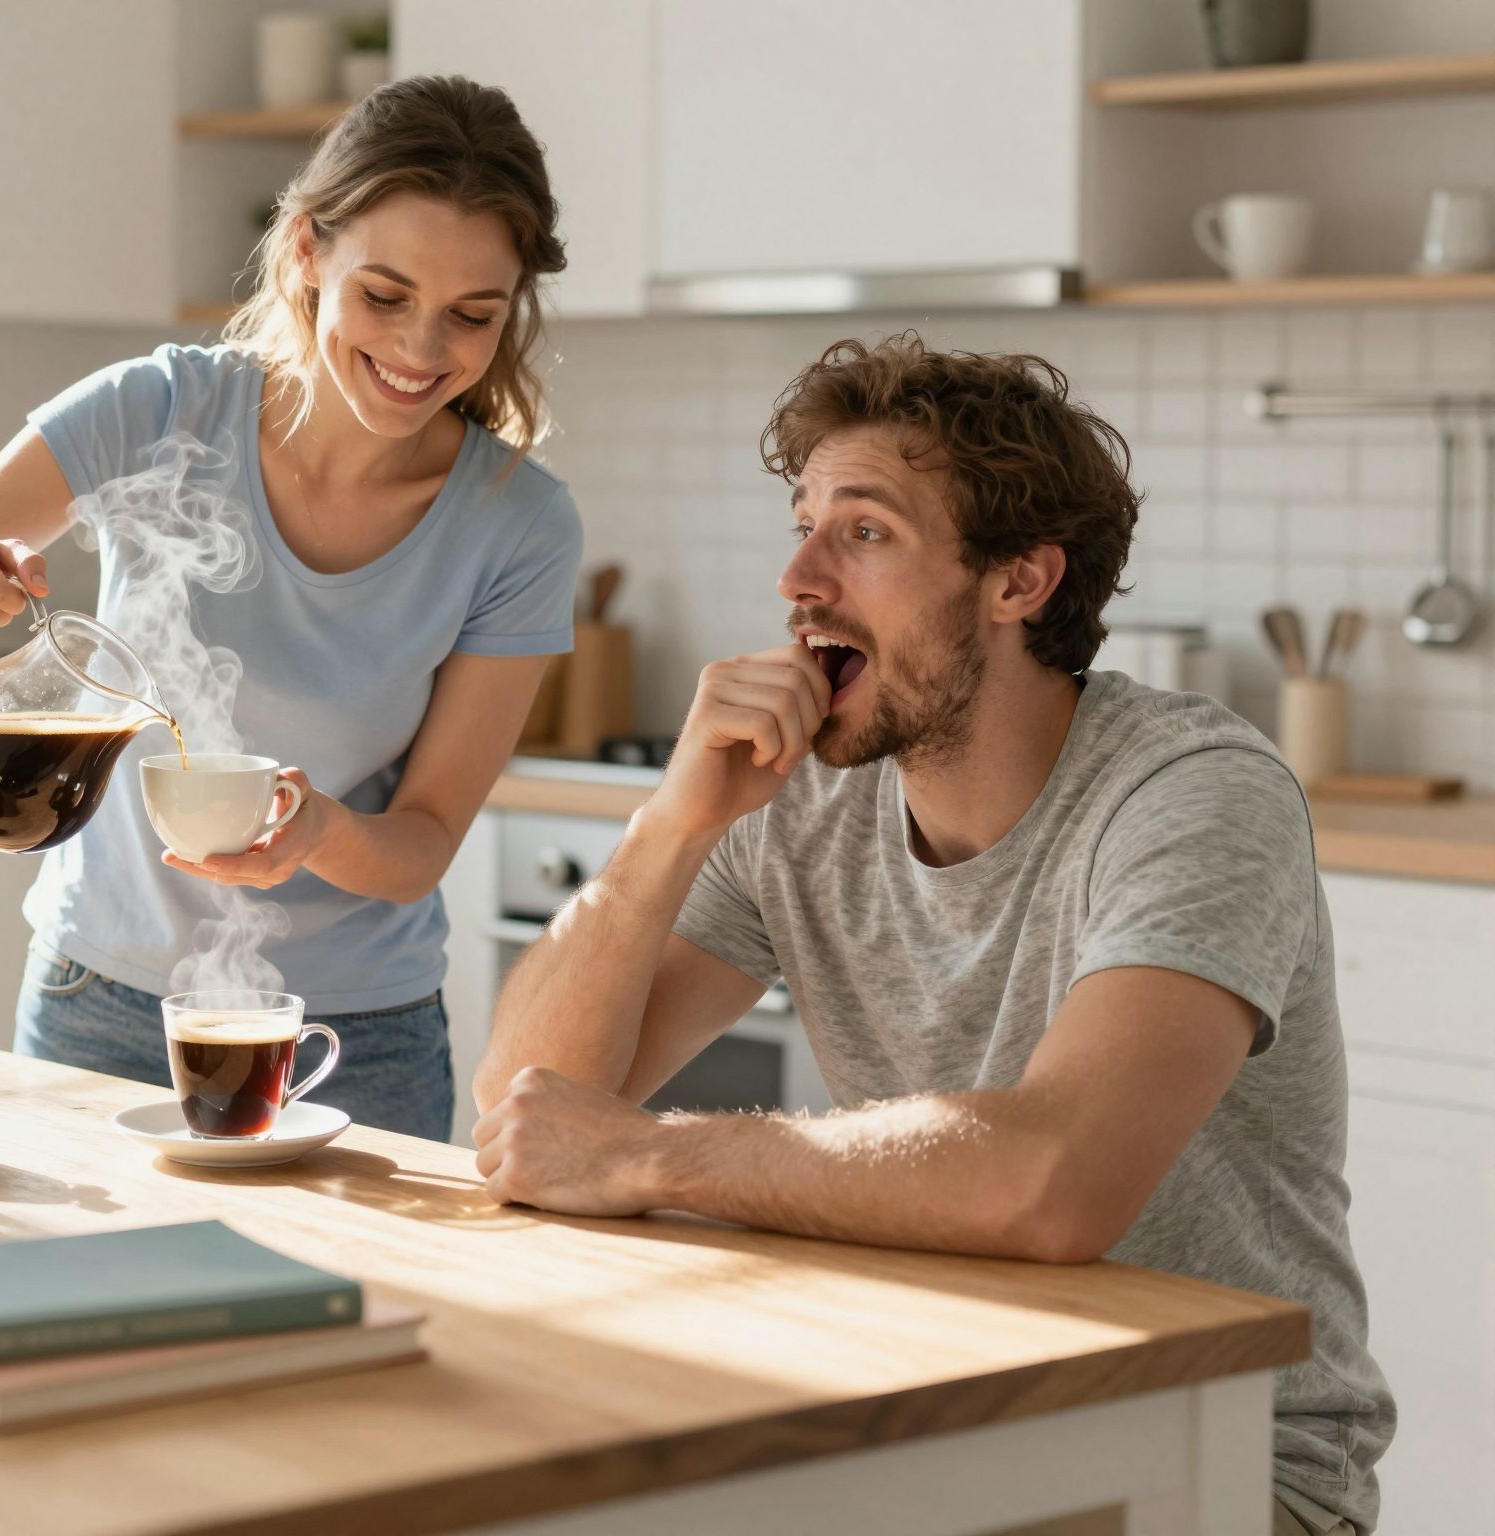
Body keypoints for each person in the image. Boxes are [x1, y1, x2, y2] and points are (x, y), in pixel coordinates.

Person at [471, 336, 1393, 1535]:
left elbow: (1053, 1183)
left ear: (1018, 583)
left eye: (862, 532)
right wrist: (665, 826)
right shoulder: (796, 797)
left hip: (1218, 1454)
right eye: (801, 524)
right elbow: (527, 1114)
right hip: (932, 1412)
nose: (797, 576)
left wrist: (649, 1157)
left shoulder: (1193, 794)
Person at [0, 76, 582, 1141]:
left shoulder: (517, 524)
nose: (418, 350)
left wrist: (314, 831)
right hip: (100, 1005)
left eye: (471, 316)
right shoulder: (160, 409)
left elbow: (422, 842)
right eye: (386, 295)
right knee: (83, 1308)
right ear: (310, 252)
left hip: (352, 1038)